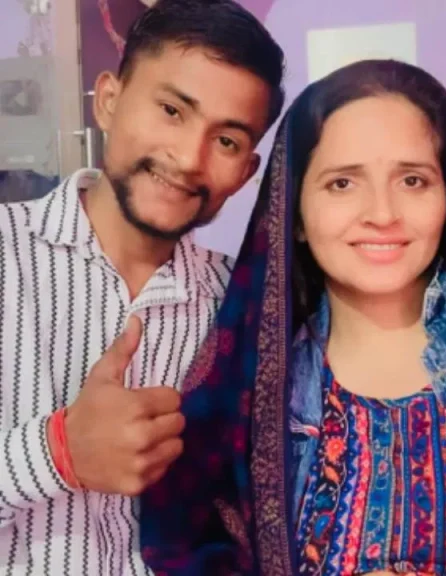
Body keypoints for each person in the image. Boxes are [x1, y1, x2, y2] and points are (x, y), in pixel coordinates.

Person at [138, 60, 446, 576]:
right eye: (342, 184)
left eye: (412, 180)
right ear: (294, 214)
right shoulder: (240, 391)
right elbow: (184, 548)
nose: (382, 213)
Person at [0, 1, 284, 573]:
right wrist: (56, 454)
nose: (188, 158)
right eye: (172, 110)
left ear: (247, 171)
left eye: (227, 141)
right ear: (108, 100)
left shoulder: (242, 307)